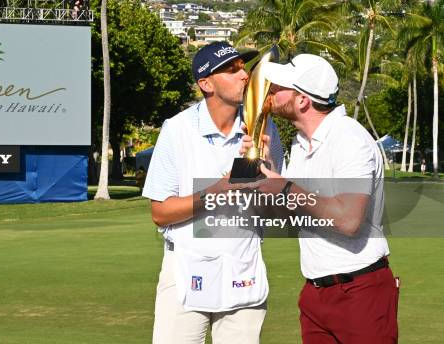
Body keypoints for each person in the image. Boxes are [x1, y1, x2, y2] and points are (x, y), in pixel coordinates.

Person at [142, 42, 285, 344]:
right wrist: (219, 189)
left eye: (243, 67)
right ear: (206, 84)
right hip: (186, 268)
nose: (244, 75)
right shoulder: (176, 129)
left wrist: (265, 167)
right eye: (231, 70)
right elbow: (160, 212)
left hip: (243, 265)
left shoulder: (263, 126)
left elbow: (274, 208)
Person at [252, 54, 398, 343]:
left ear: (303, 100)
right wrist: (264, 173)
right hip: (315, 293)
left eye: (278, 87)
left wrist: (283, 186)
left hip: (359, 289)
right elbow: (292, 215)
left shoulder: (349, 139)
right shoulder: (300, 143)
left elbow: (348, 220)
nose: (270, 91)